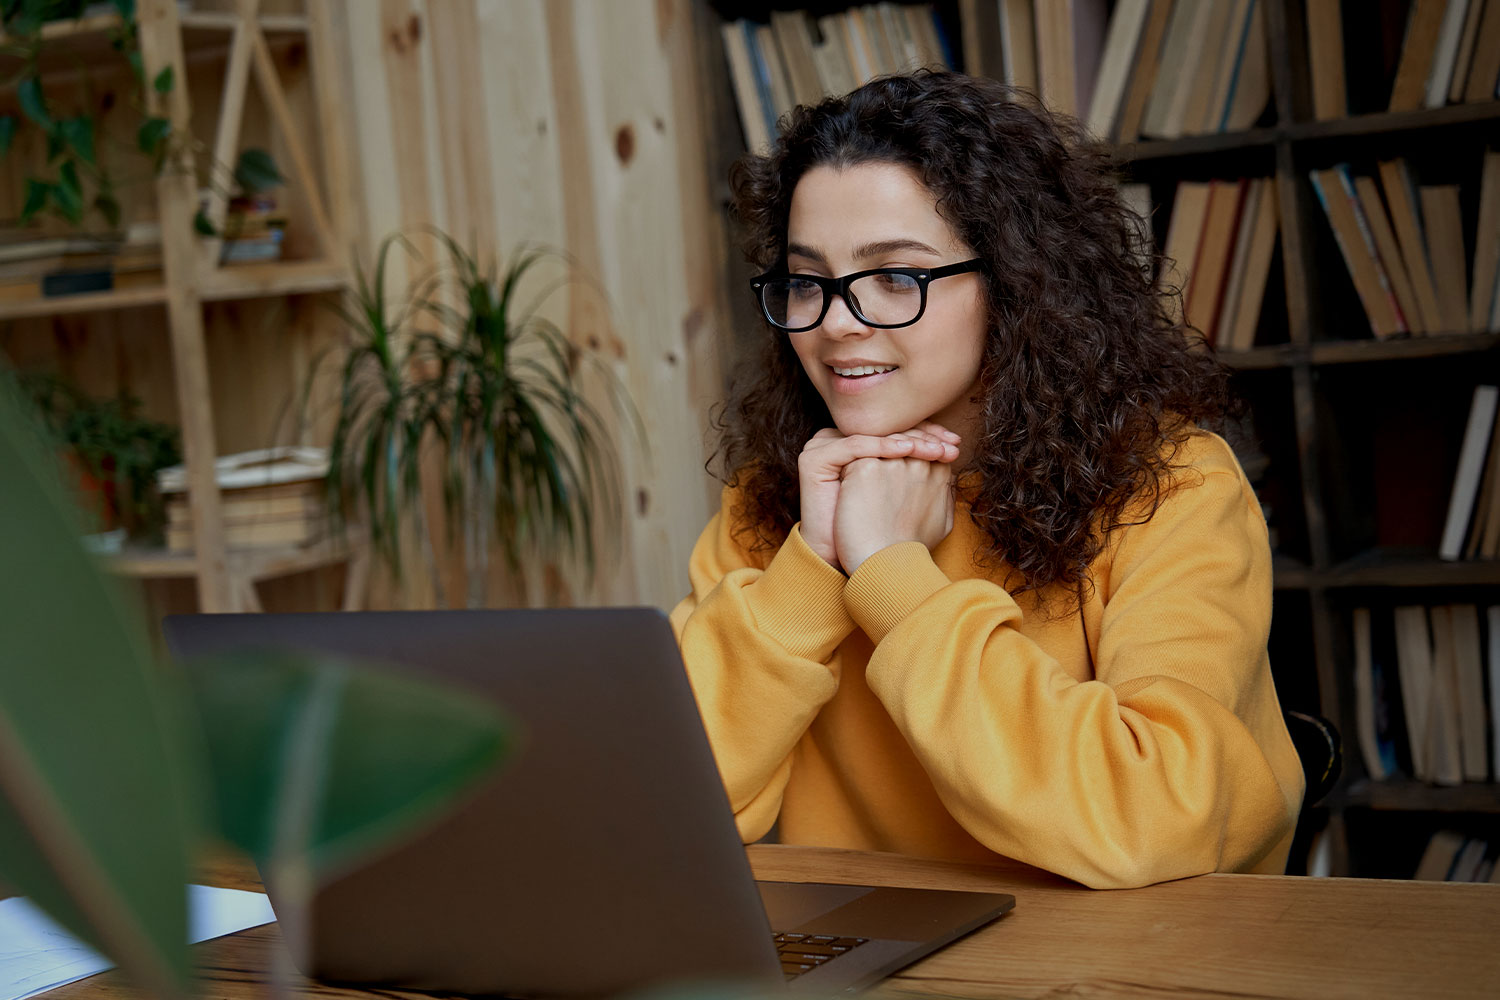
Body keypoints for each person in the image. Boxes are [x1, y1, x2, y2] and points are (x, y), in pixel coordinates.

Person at [669, 71, 1304, 890]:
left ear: (1014, 283)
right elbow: (666, 809)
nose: (833, 322)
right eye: (806, 280)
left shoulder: (1172, 489)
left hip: (1114, 964)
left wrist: (892, 575)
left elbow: (1155, 818)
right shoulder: (773, 506)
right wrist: (814, 566)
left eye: (895, 277)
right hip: (873, 963)